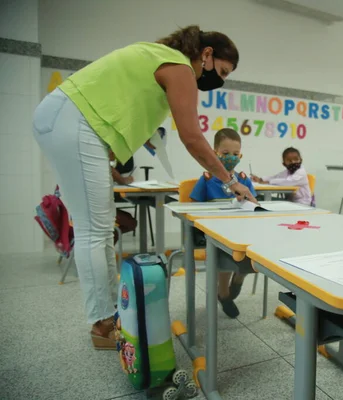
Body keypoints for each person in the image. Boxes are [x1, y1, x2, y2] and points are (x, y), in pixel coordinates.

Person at [32, 25, 256, 350]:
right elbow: (192, 137)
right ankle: (102, 324)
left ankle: (109, 316)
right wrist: (232, 181)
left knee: (99, 226)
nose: (218, 81)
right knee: (95, 231)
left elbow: (124, 108)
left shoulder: (159, 57)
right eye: (221, 71)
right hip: (72, 121)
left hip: (66, 119)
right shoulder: (180, 65)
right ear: (206, 54)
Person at [190, 128, 256, 318]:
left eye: (235, 154)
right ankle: (224, 293)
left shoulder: (243, 180)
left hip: (241, 230)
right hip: (216, 232)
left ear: (241, 155)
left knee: (253, 250)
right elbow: (194, 205)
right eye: (225, 153)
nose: (231, 157)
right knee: (223, 249)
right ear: (215, 152)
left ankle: (239, 278)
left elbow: (254, 203)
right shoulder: (207, 179)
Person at [109, 152, 137, 244]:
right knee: (131, 223)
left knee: (130, 221)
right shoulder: (104, 163)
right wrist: (125, 180)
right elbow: (110, 169)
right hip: (97, 210)